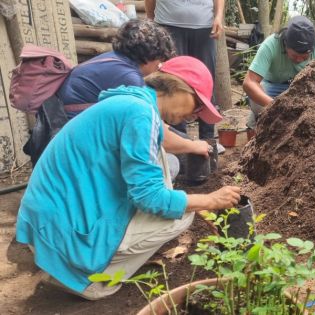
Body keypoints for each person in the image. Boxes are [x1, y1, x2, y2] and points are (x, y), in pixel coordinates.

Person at [15, 56, 241, 300]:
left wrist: (193, 147)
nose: (194, 116)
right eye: (196, 106)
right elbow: (149, 198)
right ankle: (86, 277)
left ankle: (87, 259)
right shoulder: (141, 114)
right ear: (178, 87)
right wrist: (210, 200)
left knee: (162, 161)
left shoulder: (134, 102)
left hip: (49, 217)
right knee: (181, 217)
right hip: (60, 232)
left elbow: (161, 140)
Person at [58, 19, 211, 176]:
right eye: (160, 63)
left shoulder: (112, 62)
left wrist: (187, 141)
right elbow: (156, 134)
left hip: (73, 141)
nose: (159, 68)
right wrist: (193, 146)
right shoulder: (129, 78)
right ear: (151, 57)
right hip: (84, 154)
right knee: (168, 164)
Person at [145, 0, 224, 142]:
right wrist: (150, 19)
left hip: (204, 27)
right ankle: (177, 137)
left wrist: (218, 16)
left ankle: (208, 139)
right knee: (172, 81)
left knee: (205, 82)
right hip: (168, 24)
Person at [243, 16, 315, 129]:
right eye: (295, 55)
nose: (299, 60)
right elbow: (249, 82)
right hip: (272, 87)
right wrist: (275, 106)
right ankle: (262, 124)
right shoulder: (271, 44)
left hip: (305, 92)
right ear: (285, 44)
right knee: (257, 101)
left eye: (304, 57)